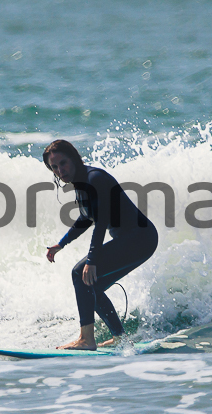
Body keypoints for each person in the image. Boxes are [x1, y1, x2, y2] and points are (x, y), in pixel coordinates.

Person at [43, 139, 158, 349]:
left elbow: (101, 221)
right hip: (135, 239)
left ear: (74, 159)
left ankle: (86, 339)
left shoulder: (94, 179)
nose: (60, 170)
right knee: (91, 287)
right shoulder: (82, 182)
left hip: (140, 239)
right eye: (54, 167)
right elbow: (87, 217)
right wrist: (61, 244)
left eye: (63, 163)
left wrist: (92, 260)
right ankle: (120, 338)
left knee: (80, 274)